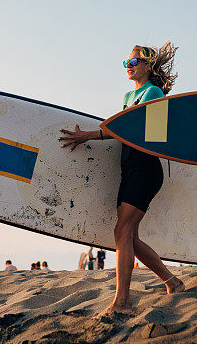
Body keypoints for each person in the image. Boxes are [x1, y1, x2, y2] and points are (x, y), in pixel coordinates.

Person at [60, 43, 186, 315]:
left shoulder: (154, 92)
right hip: (128, 168)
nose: (128, 66)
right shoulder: (129, 95)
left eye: (134, 62)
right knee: (129, 237)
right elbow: (121, 130)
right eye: (126, 62)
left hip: (145, 169)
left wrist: (88, 136)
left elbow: (138, 131)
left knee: (122, 232)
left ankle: (123, 302)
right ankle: (173, 282)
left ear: (148, 65)